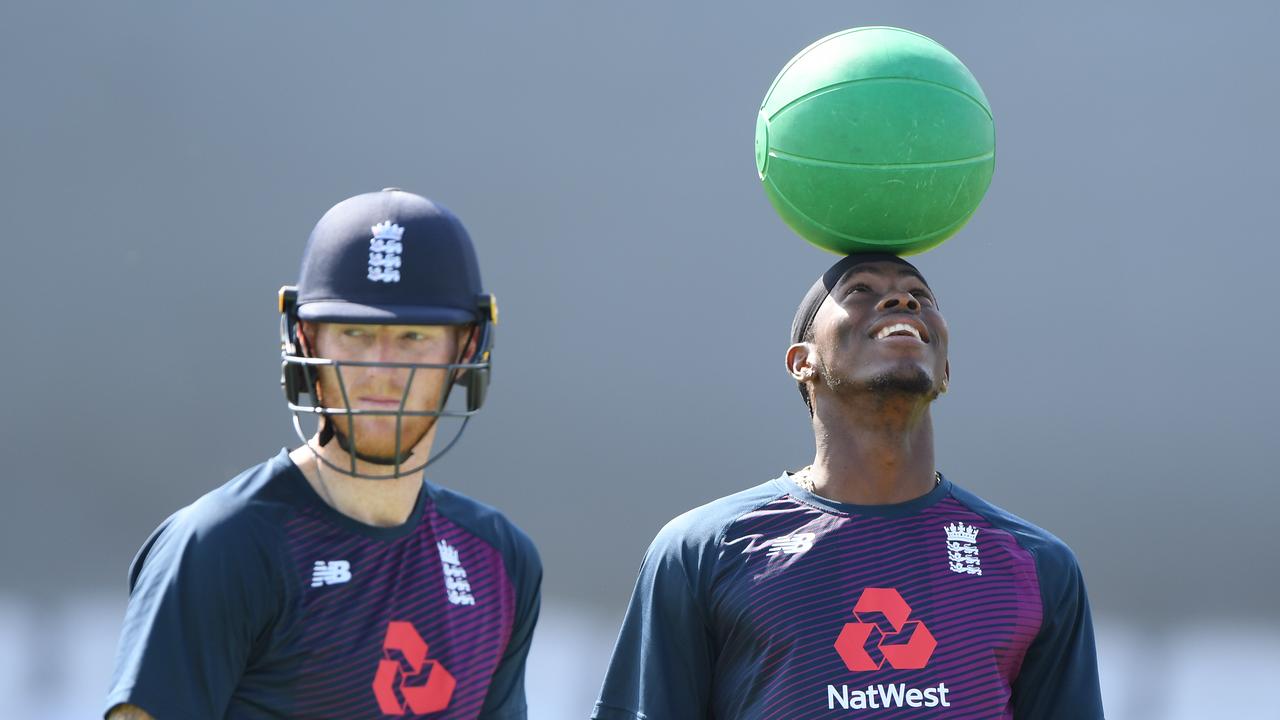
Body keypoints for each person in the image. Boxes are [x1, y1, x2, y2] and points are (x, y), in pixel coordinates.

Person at [592, 253, 1104, 719]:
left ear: (945, 370)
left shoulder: (1037, 565)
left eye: (921, 297)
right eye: (859, 290)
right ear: (802, 362)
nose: (903, 299)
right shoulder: (701, 551)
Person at [104, 189, 541, 720]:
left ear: (466, 349)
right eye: (354, 333)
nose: (381, 370)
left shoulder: (499, 561)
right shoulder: (221, 546)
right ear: (305, 338)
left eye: (413, 336)